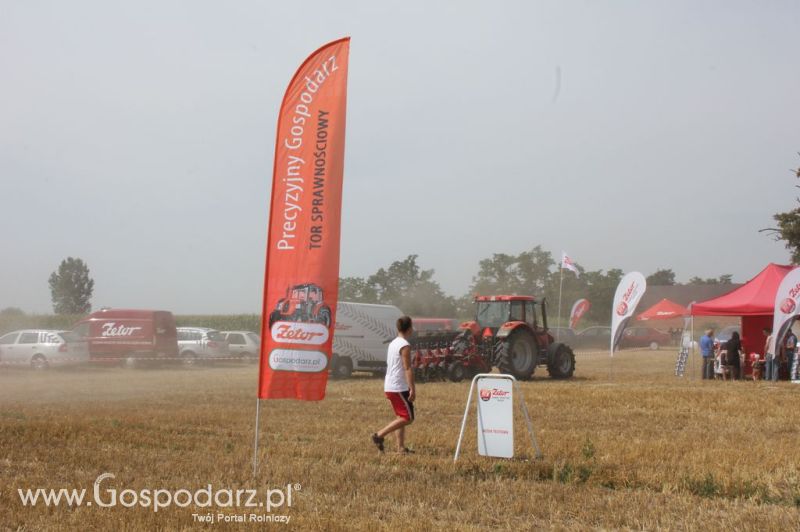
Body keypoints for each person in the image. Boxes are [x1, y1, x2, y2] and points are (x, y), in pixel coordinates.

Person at [372, 316, 416, 454]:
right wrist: (412, 389)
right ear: (409, 329)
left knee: (400, 417)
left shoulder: (393, 343)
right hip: (398, 387)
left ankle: (401, 448)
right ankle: (379, 436)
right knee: (408, 418)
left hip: (390, 385)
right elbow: (407, 368)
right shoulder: (405, 346)